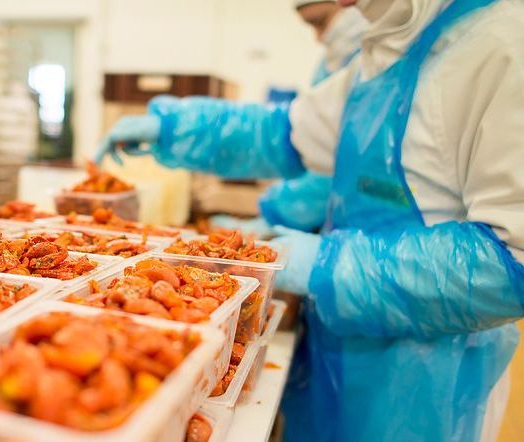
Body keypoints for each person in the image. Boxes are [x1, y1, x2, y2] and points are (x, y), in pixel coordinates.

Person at [96, 0, 524, 440]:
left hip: (430, 382)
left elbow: (514, 264)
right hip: (336, 347)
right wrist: (176, 128)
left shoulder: (502, 40)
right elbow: (282, 133)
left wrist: (324, 265)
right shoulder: (389, 49)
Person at [211, 1, 368, 237]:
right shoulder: (327, 69)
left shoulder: (392, 74)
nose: (318, 38)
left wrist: (278, 213)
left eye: (320, 22)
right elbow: (296, 136)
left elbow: (339, 168)